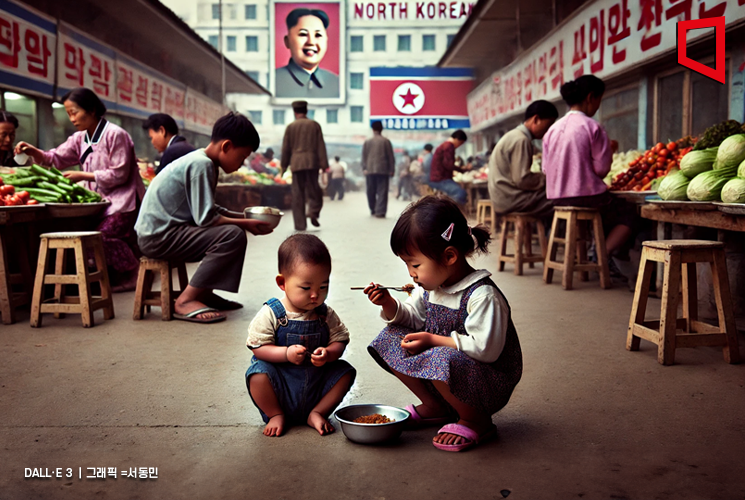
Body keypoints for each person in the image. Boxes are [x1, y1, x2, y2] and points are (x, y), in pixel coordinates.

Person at [364, 196, 522, 452]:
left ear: (449, 256)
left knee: (439, 356)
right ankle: (435, 406)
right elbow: (413, 318)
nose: (411, 273)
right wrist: (388, 304)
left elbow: (486, 349)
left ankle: (476, 420)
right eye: (406, 264)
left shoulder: (482, 295)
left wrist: (434, 340)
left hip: (487, 384)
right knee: (391, 337)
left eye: (415, 264)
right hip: (447, 374)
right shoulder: (432, 287)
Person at [135, 112, 273, 323]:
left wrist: (244, 216)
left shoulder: (203, 160)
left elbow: (207, 208)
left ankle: (204, 294)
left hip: (162, 233)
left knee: (233, 231)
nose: (241, 163)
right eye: (241, 157)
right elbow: (206, 219)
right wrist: (245, 224)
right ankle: (185, 301)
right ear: (226, 146)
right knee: (232, 236)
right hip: (157, 237)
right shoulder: (202, 164)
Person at [15, 88, 145, 292]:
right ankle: (116, 274)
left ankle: (134, 272)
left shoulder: (116, 134)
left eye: (74, 112)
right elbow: (55, 158)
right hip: (99, 202)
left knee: (99, 238)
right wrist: (34, 152)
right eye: (68, 113)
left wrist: (83, 176)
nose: (71, 118)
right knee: (88, 237)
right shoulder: (79, 138)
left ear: (92, 109)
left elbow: (119, 174)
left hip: (123, 201)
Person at [245, 233, 355, 437]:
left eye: (323, 287)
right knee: (257, 374)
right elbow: (257, 347)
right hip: (280, 387)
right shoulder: (273, 314)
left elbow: (340, 339)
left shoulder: (324, 314)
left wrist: (329, 353)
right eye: (306, 288)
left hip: (316, 386)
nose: (315, 295)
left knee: (345, 371)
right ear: (282, 283)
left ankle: (317, 412)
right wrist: (285, 354)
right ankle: (275, 414)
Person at [541, 75, 634, 281]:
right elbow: (601, 169)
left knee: (603, 213)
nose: (598, 106)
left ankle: (594, 253)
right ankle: (602, 253)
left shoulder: (552, 130)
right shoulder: (592, 126)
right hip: (586, 197)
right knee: (628, 213)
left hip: (557, 198)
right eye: (599, 101)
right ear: (591, 97)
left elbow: (546, 169)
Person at [488, 100, 558, 218]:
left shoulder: (513, 135)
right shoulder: (521, 140)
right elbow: (522, 179)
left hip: (502, 197)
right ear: (536, 120)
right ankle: (554, 234)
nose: (548, 131)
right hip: (510, 199)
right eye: (548, 125)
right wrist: (548, 178)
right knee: (558, 199)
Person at [281, 100, 328, 231]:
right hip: (312, 162)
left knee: (297, 194)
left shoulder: (291, 127)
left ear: (295, 112)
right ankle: (313, 211)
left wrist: (283, 166)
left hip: (296, 163)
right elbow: (320, 145)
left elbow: (286, 148)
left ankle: (300, 225)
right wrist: (324, 164)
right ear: (306, 111)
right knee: (315, 191)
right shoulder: (315, 125)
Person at [275, 8, 339, 99]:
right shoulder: (271, 81)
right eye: (303, 34)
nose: (311, 42)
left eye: (318, 35)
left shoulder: (337, 83)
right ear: (287, 41)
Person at [361, 120, 395, 218]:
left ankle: (373, 209)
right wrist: (392, 170)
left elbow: (364, 156)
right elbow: (390, 157)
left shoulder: (367, 141)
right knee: (382, 191)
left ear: (373, 129)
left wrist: (364, 168)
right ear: (381, 129)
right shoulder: (386, 141)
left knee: (370, 190)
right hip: (383, 170)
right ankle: (380, 211)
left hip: (370, 170)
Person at [429, 130, 470, 206]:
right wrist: (462, 169)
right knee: (461, 193)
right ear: (457, 139)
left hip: (437, 179)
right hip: (441, 180)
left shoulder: (444, 145)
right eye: (461, 143)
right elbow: (449, 165)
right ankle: (451, 212)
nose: (459, 145)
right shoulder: (449, 146)